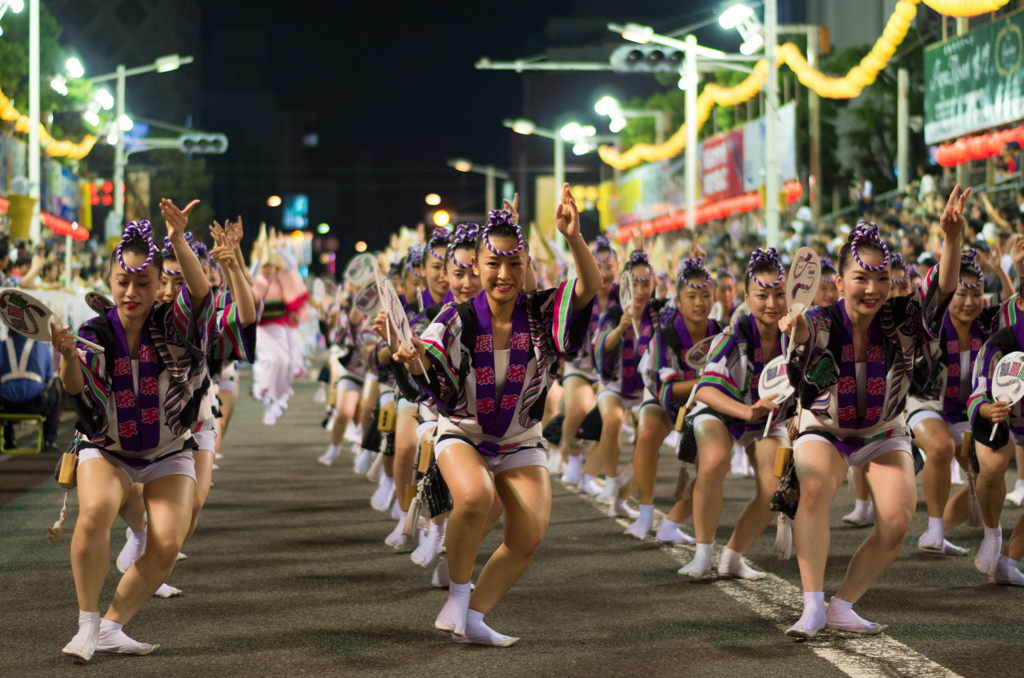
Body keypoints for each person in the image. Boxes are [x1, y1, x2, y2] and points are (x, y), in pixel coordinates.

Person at [388, 184, 601, 646]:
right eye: (493, 263)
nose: (503, 274)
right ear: (479, 267)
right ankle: (458, 597)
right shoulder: (456, 316)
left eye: (513, 263)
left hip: (521, 439)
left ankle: (476, 616)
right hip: (463, 434)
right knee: (473, 497)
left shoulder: (542, 311)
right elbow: (427, 353)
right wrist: (409, 357)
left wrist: (573, 238)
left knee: (528, 536)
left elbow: (590, 287)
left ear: (525, 267)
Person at [778, 186, 966, 638]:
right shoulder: (820, 320)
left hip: (884, 430)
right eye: (861, 278)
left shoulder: (902, 317)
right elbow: (802, 352)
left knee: (899, 520)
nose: (873, 289)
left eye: (881, 278)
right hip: (825, 429)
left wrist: (952, 240)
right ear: (838, 282)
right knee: (817, 484)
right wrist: (797, 331)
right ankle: (812, 606)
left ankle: (843, 604)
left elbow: (942, 289)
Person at [54, 200, 232, 661]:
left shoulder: (173, 326)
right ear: (110, 280)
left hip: (168, 450)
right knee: (95, 513)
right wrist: (70, 358)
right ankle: (87, 624)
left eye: (142, 282)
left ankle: (112, 626)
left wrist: (176, 239)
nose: (131, 291)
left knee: (169, 542)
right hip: (107, 447)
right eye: (122, 281)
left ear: (158, 286)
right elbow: (75, 389)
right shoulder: (94, 329)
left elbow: (200, 295)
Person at [679, 247, 797, 579]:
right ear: (747, 296)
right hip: (721, 409)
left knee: (774, 488)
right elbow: (703, 389)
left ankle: (732, 557)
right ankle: (702, 554)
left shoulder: (799, 335)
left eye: (779, 294)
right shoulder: (734, 334)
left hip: (767, 416)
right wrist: (746, 411)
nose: (772, 303)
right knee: (715, 460)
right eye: (762, 295)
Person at [909, 244, 1019, 556]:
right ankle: (933, 527)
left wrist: (1007, 269)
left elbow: (1018, 306)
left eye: (976, 294)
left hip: (970, 409)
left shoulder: (988, 321)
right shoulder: (930, 322)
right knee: (941, 447)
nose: (970, 302)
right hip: (926, 404)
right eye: (961, 294)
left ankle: (948, 532)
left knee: (983, 476)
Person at [627, 248, 722, 542]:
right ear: (678, 301)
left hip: (703, 402)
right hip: (663, 396)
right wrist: (707, 381)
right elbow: (667, 388)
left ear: (713, 299)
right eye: (691, 297)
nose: (699, 302)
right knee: (648, 433)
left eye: (705, 295)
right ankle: (645, 513)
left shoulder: (722, 332)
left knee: (714, 464)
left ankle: (671, 523)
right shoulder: (665, 335)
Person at [585, 248, 667, 518]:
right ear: (625, 283)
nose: (641, 289)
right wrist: (620, 328)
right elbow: (601, 344)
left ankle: (624, 497)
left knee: (647, 444)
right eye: (635, 283)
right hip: (615, 385)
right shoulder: (614, 311)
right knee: (612, 420)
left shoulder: (658, 313)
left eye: (646, 283)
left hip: (646, 389)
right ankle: (610, 481)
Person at [558, 235, 617, 486]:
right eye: (598, 267)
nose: (603, 273)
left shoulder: (624, 296)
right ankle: (572, 459)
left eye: (609, 267)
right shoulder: (581, 292)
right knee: (578, 410)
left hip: (613, 373)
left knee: (611, 422)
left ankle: (591, 474)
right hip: (580, 366)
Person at [0, 327, 61, 450]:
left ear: (8, 331)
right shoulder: (42, 346)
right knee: (54, 392)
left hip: (7, 407)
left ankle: (9, 439)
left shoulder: (2, 346)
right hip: (36, 406)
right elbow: (48, 378)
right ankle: (49, 441)